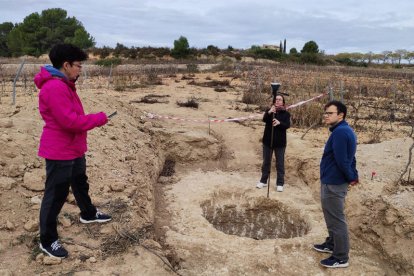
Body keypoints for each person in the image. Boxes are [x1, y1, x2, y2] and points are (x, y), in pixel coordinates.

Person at [34, 43, 112, 259]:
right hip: (60, 150)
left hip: (73, 147)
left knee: (79, 181)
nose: (80, 69)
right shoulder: (55, 87)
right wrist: (98, 118)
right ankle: (47, 240)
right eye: (78, 65)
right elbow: (69, 121)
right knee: (56, 195)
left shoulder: (64, 84)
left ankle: (88, 213)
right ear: (66, 65)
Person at [313, 100, 358, 268]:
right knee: (330, 217)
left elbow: (343, 161)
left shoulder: (340, 133)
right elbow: (350, 157)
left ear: (341, 115)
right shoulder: (342, 130)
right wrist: (353, 175)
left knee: (337, 220)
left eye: (330, 113)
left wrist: (351, 177)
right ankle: (332, 244)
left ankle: (341, 257)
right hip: (331, 180)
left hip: (334, 183)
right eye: (325, 112)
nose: (326, 115)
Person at [256, 94, 291, 192]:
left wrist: (279, 123)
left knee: (280, 163)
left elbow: (287, 125)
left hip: (280, 143)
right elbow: (264, 119)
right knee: (266, 162)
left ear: (283, 102)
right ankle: (263, 181)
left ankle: (280, 183)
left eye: (280, 100)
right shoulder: (269, 111)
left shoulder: (286, 114)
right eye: (276, 99)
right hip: (268, 142)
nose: (278, 101)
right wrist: (270, 112)